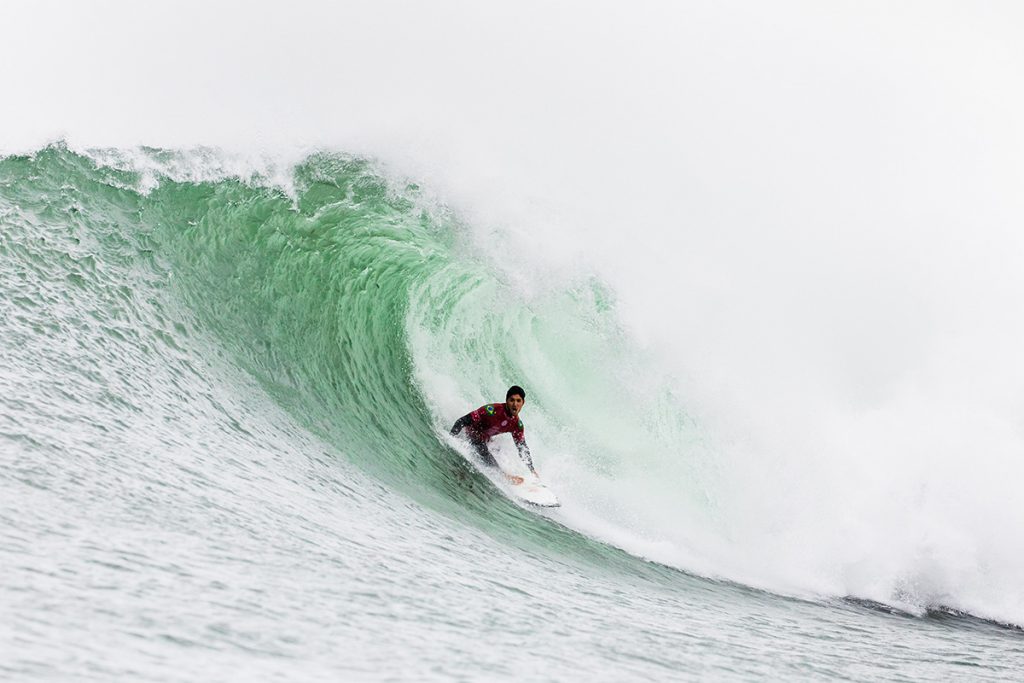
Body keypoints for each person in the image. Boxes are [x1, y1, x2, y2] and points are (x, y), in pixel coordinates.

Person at [450, 385, 536, 482]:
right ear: (506, 400)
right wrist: (451, 438)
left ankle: (513, 475)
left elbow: (522, 447)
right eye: (512, 400)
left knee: (498, 450)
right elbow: (461, 421)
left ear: (523, 403)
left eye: (518, 401)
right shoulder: (492, 410)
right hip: (472, 435)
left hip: (485, 439)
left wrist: (532, 469)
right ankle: (504, 477)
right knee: (483, 451)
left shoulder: (517, 424)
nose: (515, 404)